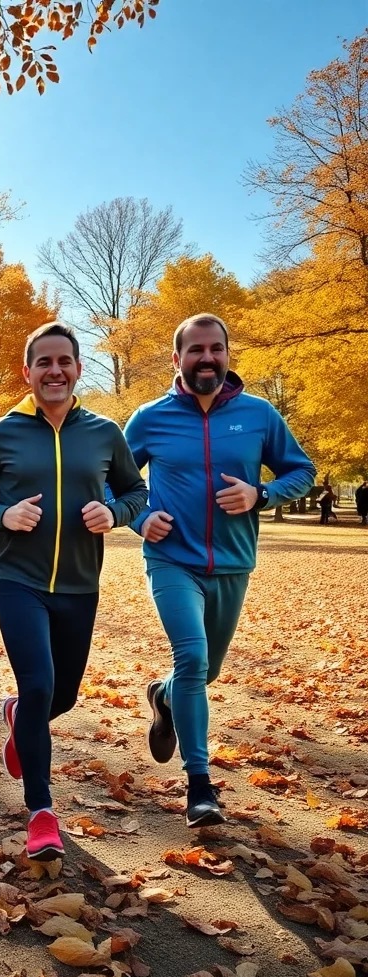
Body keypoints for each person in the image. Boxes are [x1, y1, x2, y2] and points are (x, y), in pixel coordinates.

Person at [0, 321, 148, 861]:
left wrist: (115, 511)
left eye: (64, 361)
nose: (54, 371)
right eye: (44, 362)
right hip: (18, 579)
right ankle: (41, 812)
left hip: (81, 584)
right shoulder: (2, 432)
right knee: (39, 684)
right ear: (28, 372)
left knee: (61, 697)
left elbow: (136, 490)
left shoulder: (105, 433)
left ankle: (20, 716)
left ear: (78, 369)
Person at [124, 313, 315, 828]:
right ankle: (200, 785)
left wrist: (263, 494)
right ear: (177, 358)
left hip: (233, 562)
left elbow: (301, 470)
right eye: (195, 350)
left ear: (227, 355)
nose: (206, 358)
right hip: (171, 560)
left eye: (216, 349)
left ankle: (163, 697)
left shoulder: (259, 415)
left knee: (206, 670)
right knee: (192, 657)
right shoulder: (149, 418)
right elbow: (108, 480)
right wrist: (141, 518)